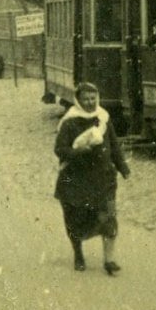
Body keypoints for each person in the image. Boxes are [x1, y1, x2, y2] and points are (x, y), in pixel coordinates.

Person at [53, 82, 130, 275]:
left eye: (93, 98)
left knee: (109, 217)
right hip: (76, 180)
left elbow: (113, 144)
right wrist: (79, 151)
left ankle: (109, 260)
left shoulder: (103, 117)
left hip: (103, 178)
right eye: (86, 99)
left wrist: (123, 167)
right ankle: (78, 253)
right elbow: (60, 149)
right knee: (75, 219)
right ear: (78, 100)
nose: (90, 102)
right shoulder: (70, 121)